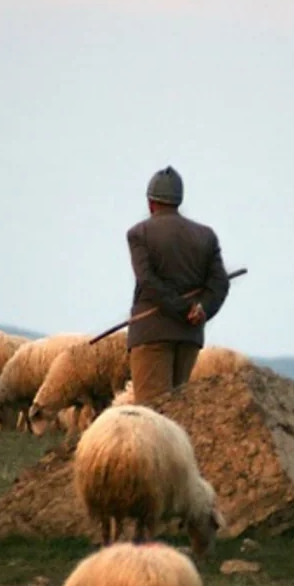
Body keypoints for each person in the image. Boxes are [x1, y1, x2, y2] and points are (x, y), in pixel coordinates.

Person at [125, 166, 230, 406]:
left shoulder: (139, 233)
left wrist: (183, 309)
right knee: (178, 412)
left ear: (151, 203)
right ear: (178, 201)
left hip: (152, 333)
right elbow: (220, 283)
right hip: (189, 336)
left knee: (153, 413)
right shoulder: (206, 236)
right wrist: (201, 309)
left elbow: (148, 281)